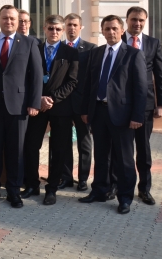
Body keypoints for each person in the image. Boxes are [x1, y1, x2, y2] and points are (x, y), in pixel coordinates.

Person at [80, 15, 147, 214]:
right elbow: (89, 84)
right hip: (98, 112)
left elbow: (140, 89)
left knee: (124, 159)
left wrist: (137, 116)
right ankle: (100, 190)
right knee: (101, 155)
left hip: (123, 115)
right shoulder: (96, 53)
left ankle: (125, 198)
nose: (111, 32)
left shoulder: (133, 54)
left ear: (122, 30)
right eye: (107, 29)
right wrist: (85, 110)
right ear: (102, 31)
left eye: (115, 28)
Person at [0, 5, 43, 208]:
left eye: (12, 18)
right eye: (5, 18)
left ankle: (13, 191)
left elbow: (36, 75)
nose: (9, 21)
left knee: (16, 151)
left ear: (18, 21)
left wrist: (34, 103)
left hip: (19, 107)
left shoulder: (29, 43)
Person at [21, 15, 78, 206]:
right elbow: (26, 77)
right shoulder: (35, 49)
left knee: (59, 149)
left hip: (60, 108)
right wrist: (38, 98)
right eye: (50, 28)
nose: (54, 32)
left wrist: (52, 98)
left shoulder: (70, 53)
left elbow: (72, 81)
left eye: (58, 29)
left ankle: (52, 188)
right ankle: (32, 184)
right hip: (36, 106)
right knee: (31, 146)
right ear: (44, 29)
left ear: (63, 31)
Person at [120, 6, 162, 206]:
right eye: (134, 19)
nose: (137, 23)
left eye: (141, 20)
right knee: (122, 149)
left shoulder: (152, 43)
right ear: (127, 20)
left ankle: (144, 189)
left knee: (144, 149)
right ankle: (119, 185)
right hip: (121, 104)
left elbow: (160, 75)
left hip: (146, 105)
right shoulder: (117, 39)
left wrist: (161, 103)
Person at [61, 13, 95, 192]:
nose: (72, 28)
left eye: (75, 25)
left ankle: (83, 179)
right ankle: (66, 177)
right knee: (64, 142)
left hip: (82, 104)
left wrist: (89, 105)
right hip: (62, 103)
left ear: (81, 27)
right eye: (69, 25)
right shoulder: (59, 48)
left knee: (84, 142)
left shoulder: (90, 49)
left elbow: (92, 78)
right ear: (64, 27)